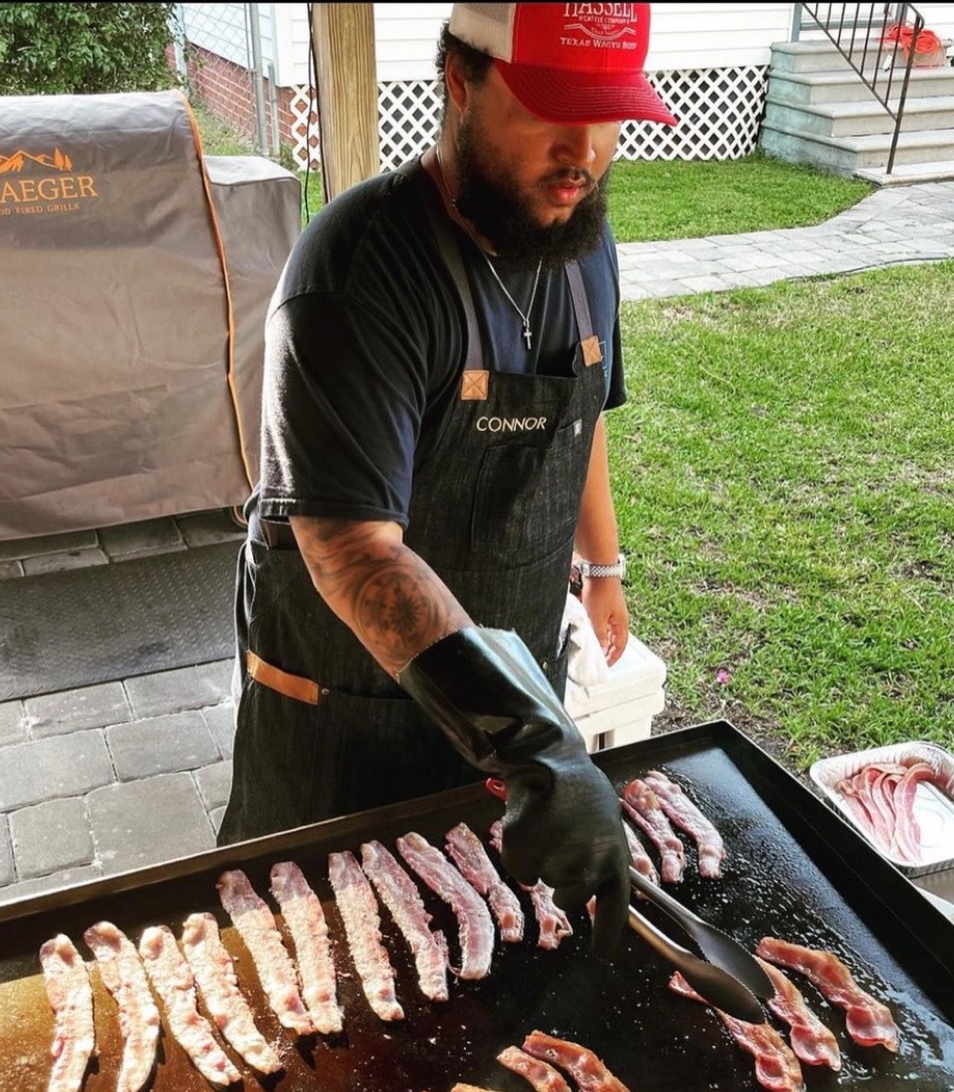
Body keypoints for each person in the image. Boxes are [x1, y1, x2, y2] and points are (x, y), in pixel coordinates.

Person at [220, 2, 677, 958]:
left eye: (608, 118)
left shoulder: (582, 240)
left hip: (513, 697)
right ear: (458, 81)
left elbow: (581, 416)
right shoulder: (358, 272)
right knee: (332, 983)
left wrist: (605, 570)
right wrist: (534, 742)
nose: (583, 153)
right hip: (349, 727)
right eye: (550, 110)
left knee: (497, 972)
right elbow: (351, 548)